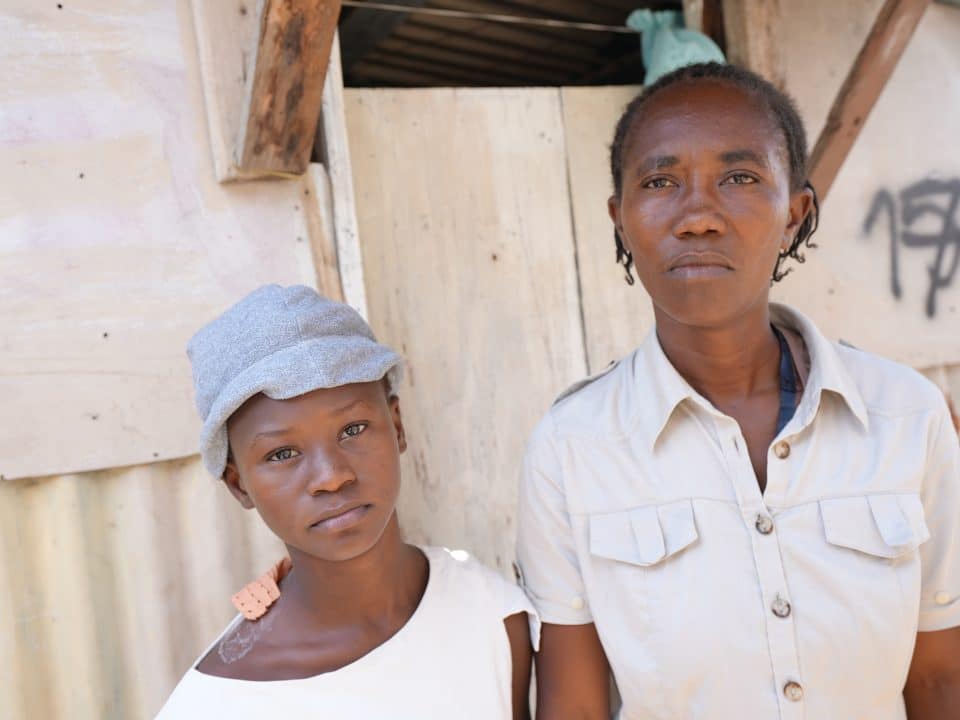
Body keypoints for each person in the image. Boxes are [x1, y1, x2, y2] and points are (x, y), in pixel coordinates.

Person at [517, 63, 960, 719]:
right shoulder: (571, 450)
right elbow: (575, 707)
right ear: (621, 219)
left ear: (794, 213)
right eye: (660, 181)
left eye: (740, 178)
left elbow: (940, 679)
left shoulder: (906, 417)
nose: (698, 217)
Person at [157, 285, 536, 719]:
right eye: (282, 454)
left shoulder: (488, 610)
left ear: (396, 426)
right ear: (238, 484)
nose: (332, 476)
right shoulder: (220, 704)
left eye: (353, 429)